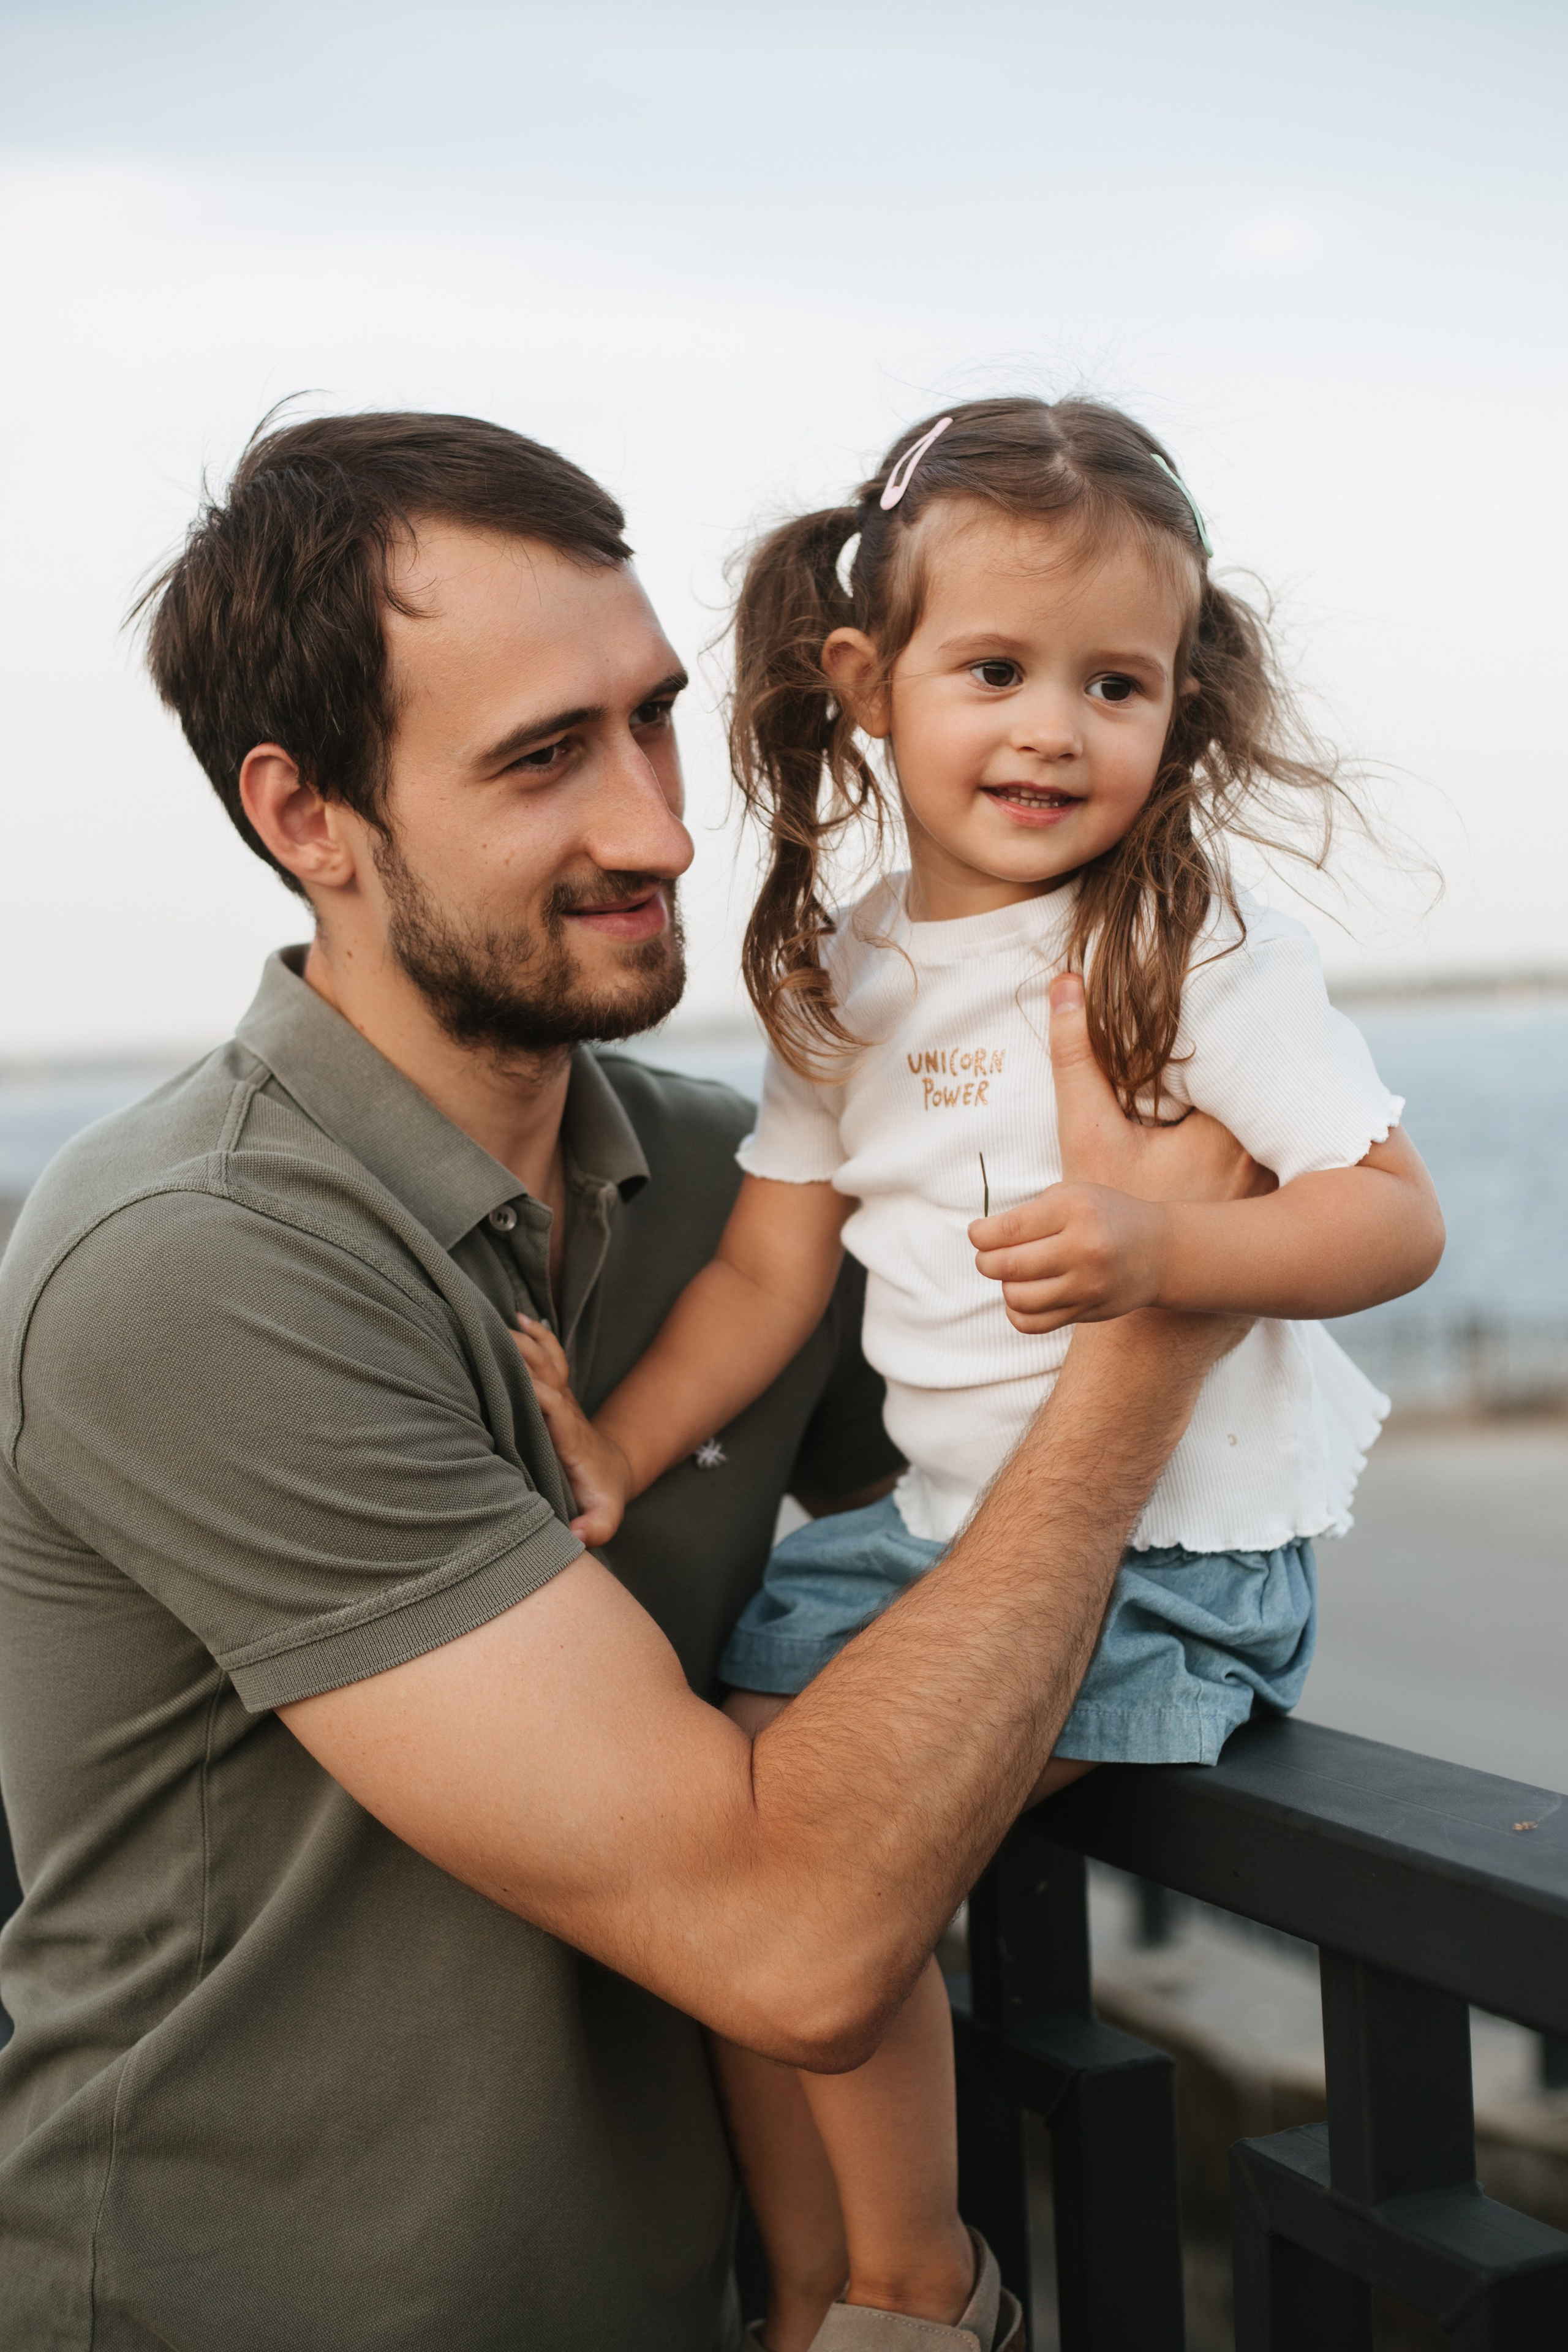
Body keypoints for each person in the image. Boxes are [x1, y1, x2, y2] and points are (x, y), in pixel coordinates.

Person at [0, 407, 1262, 2352]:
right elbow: (794, 1931)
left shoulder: (735, 1192)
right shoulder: (191, 1266)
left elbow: (964, 1543)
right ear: (306, 816)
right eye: (542, 759)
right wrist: (1152, 1341)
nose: (664, 827)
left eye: (653, 718)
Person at [511, 396, 1446, 2351]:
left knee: (815, 1852)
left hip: (1165, 1561)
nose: (1053, 729)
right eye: (997, 669)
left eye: (1117, 685)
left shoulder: (1181, 941)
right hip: (938, 1544)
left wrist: (1174, 1252)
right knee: (729, 1856)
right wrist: (613, 1444)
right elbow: (773, 1270)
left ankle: (922, 2282)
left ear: (1179, 713)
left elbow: (1390, 1221)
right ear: (867, 683)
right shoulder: (852, 972)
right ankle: (816, 2289)